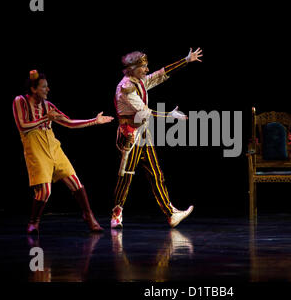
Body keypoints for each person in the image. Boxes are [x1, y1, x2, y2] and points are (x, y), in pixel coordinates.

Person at [13, 70, 114, 234]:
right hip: (35, 148)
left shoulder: (48, 106)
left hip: (53, 146)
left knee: (75, 182)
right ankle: (34, 222)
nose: (48, 89)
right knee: (44, 191)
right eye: (44, 87)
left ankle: (89, 216)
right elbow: (22, 126)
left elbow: (69, 123)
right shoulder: (20, 101)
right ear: (33, 89)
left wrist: (94, 121)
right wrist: (46, 118)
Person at [111, 48, 203, 228]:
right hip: (130, 135)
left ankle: (170, 214)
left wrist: (185, 60)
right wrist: (171, 116)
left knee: (156, 174)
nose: (147, 70)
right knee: (126, 177)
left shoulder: (139, 81)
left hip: (143, 134)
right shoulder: (126, 87)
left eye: (146, 67)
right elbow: (144, 113)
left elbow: (161, 74)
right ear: (133, 68)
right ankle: (116, 214)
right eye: (143, 67)